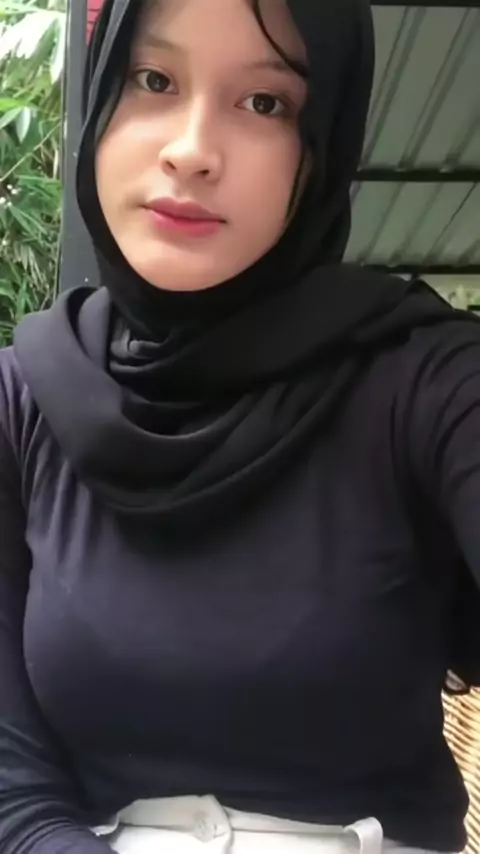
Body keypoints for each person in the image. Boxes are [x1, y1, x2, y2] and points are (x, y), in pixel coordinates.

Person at [0, 0, 478, 852]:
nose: (191, 150)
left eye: (265, 103)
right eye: (154, 79)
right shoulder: (23, 397)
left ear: (324, 144)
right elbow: (12, 790)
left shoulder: (427, 379)